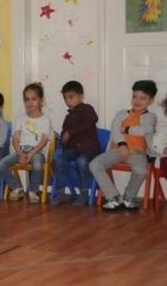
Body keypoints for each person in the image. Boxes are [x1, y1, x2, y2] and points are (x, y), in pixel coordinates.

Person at [90, 80, 158, 211]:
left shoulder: (151, 116)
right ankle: (114, 197)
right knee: (95, 164)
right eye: (135, 97)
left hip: (137, 152)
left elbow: (145, 129)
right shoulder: (122, 114)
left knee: (141, 170)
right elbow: (115, 129)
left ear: (151, 101)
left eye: (142, 98)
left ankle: (129, 197)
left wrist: (126, 129)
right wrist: (122, 144)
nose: (137, 101)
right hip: (118, 150)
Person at [0, 83, 53, 204]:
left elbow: (43, 141)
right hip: (20, 151)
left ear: (41, 100)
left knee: (37, 164)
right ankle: (17, 188)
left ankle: (33, 191)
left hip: (36, 152)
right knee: (1, 164)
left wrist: (31, 154)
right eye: (27, 99)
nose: (30, 102)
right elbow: (15, 139)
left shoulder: (45, 120)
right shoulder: (20, 119)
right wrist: (20, 154)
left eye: (33, 99)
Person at [53, 81, 100, 205]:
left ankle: (84, 193)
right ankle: (61, 192)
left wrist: (70, 133)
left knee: (82, 162)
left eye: (71, 97)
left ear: (81, 96)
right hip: (73, 150)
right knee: (59, 159)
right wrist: (63, 137)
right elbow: (65, 132)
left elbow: (91, 121)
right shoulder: (68, 116)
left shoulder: (87, 109)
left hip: (89, 150)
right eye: (65, 98)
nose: (68, 101)